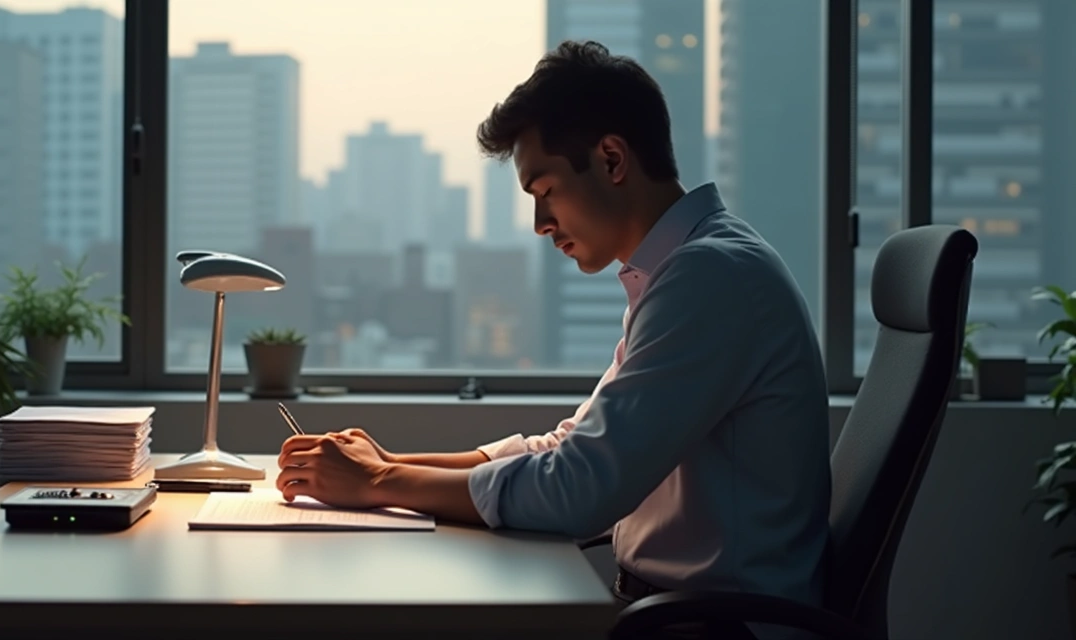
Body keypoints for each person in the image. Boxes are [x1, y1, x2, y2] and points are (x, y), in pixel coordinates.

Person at [275, 40, 831, 640]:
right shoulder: (680, 271)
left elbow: (579, 488)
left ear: (612, 159)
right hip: (680, 616)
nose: (542, 225)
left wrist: (378, 484)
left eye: (545, 193)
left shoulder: (711, 278)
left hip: (718, 628)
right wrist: (389, 463)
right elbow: (570, 447)